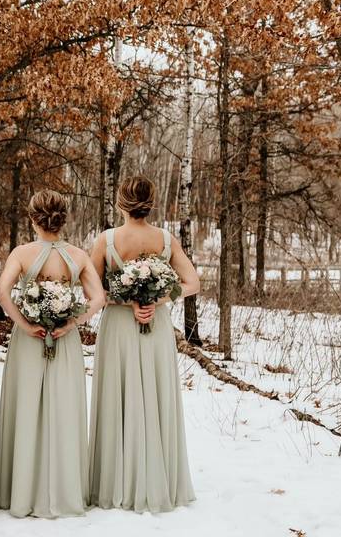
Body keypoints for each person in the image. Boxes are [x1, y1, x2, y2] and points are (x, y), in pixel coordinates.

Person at [88, 175, 200, 512]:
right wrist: (158, 299)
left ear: (121, 202)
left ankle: (118, 480)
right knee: (153, 394)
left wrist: (128, 302)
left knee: (119, 395)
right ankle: (154, 476)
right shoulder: (165, 240)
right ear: (150, 203)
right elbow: (192, 282)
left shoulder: (106, 240)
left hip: (121, 327)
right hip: (156, 323)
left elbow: (92, 291)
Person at [0, 189, 105, 518]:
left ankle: (23, 492)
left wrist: (24, 324)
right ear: (63, 218)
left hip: (30, 338)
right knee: (64, 408)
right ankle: (64, 491)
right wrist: (73, 322)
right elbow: (97, 299)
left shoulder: (22, 252)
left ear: (33, 218)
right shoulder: (78, 255)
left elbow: (2, 293)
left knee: (26, 407)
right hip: (64, 338)